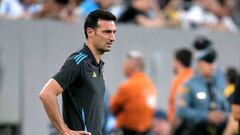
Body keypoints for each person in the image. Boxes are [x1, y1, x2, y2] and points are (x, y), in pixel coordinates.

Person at [39, 10, 117, 135]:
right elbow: (46, 94)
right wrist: (64, 130)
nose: (112, 38)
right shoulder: (78, 61)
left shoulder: (98, 65)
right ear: (90, 32)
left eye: (114, 32)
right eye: (107, 32)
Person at [177, 49, 230, 135]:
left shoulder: (221, 86)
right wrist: (207, 116)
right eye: (208, 62)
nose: (212, 66)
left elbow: (229, 109)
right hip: (196, 131)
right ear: (199, 64)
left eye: (213, 62)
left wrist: (223, 116)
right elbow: (182, 111)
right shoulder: (189, 85)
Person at [110, 51, 157, 135]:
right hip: (146, 131)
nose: (123, 67)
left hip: (126, 131)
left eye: (125, 63)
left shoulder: (127, 86)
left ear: (132, 65)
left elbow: (113, 107)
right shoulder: (150, 86)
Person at [167, 48, 193, 129]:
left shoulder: (179, 81)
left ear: (178, 62)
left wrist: (171, 129)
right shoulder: (194, 78)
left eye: (173, 61)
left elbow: (177, 107)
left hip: (179, 127)